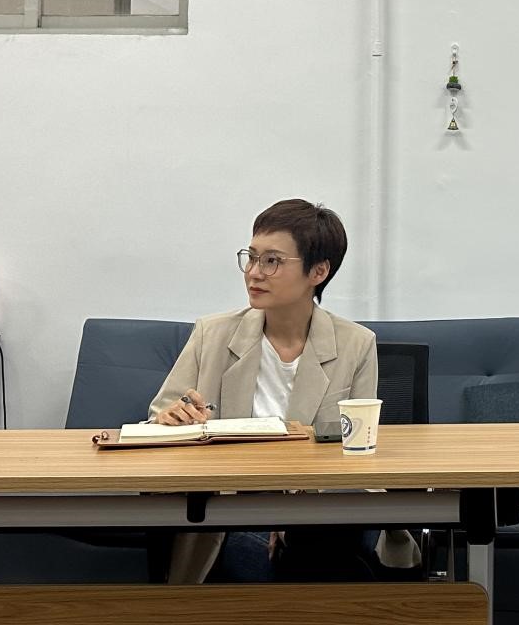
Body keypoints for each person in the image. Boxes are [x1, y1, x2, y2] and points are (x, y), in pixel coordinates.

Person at [148, 198, 418, 583]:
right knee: (270, 557)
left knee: (314, 548)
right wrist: (171, 420)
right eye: (251, 257)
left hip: (321, 509)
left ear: (318, 271)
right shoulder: (213, 334)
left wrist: (293, 511)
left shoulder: (356, 344)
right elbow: (155, 423)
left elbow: (356, 453)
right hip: (231, 509)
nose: (254, 273)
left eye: (272, 261)